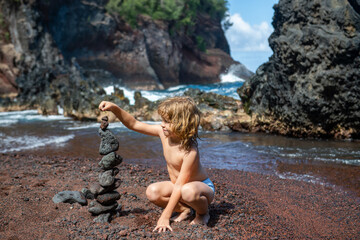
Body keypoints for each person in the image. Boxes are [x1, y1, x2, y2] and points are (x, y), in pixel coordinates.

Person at [98, 96, 215, 233]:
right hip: (178, 186)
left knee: (187, 191)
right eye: (162, 120)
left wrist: (165, 216)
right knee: (152, 192)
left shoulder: (190, 151)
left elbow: (180, 185)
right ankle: (186, 210)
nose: (162, 124)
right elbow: (134, 124)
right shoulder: (163, 133)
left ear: (182, 124)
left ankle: (202, 213)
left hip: (201, 188)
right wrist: (114, 108)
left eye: (167, 121)